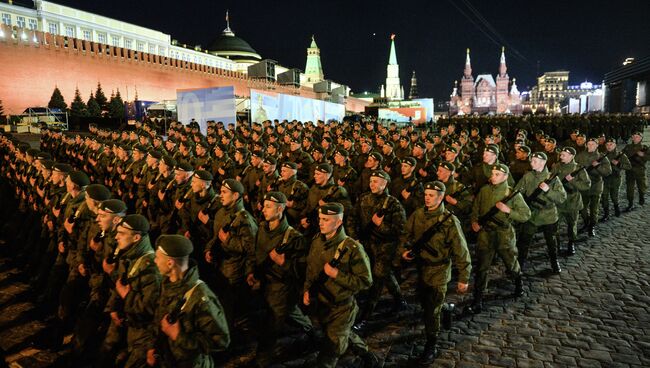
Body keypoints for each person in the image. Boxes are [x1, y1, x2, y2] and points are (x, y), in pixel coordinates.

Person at [400, 181, 471, 366]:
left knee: (431, 311)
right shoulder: (418, 214)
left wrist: (464, 277)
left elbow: (461, 251)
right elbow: (405, 234)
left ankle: (431, 345)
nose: (427, 198)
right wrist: (404, 249)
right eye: (426, 194)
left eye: (432, 195)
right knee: (425, 304)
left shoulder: (449, 221)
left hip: (439, 269)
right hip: (421, 268)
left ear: (441, 198)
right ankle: (446, 309)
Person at [302, 202, 376, 368]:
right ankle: (365, 352)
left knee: (330, 350)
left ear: (338, 222)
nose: (321, 222)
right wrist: (307, 290)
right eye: (320, 218)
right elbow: (311, 271)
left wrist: (337, 275)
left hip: (341, 307)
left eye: (326, 220)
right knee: (343, 334)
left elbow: (366, 281)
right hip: (321, 305)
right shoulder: (316, 241)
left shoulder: (352, 248)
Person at [147, 234, 230, 367]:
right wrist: (154, 346)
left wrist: (179, 336)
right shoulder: (167, 283)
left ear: (170, 263)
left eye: (157, 257)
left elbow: (220, 341)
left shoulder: (201, 297)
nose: (155, 261)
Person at [251, 192, 312, 367]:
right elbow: (256, 253)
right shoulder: (262, 228)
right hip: (265, 282)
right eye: (264, 205)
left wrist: (284, 263)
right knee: (291, 313)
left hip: (282, 286)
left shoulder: (293, 237)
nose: (264, 209)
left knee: (271, 327)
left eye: (269, 206)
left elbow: (301, 270)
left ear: (280, 208)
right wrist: (252, 273)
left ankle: (262, 360)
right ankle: (311, 330)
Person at [348, 170, 407, 330]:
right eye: (371, 181)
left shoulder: (393, 204)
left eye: (376, 181)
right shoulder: (363, 198)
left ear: (385, 183)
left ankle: (365, 317)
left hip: (384, 248)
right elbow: (352, 218)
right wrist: (355, 237)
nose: (372, 184)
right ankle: (399, 299)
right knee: (385, 275)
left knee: (377, 279)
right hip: (365, 245)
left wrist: (381, 226)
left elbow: (400, 229)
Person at [100, 214, 162, 368]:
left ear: (136, 238)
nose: (116, 237)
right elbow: (121, 283)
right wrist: (113, 308)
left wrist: (126, 295)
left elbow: (149, 308)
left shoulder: (150, 267)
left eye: (122, 233)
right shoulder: (130, 257)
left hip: (145, 333)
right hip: (131, 325)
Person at [469, 164, 531, 313]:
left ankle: (518, 284)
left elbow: (526, 215)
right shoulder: (484, 190)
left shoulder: (512, 193)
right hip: (486, 234)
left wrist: (508, 210)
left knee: (511, 263)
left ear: (505, 177)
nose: (493, 176)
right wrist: (474, 222)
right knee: (482, 267)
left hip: (504, 234)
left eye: (497, 174)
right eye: (493, 173)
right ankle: (477, 299)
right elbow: (475, 208)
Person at [514, 152, 567, 273]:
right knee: (524, 242)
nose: (532, 163)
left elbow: (562, 198)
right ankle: (519, 265)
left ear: (543, 163)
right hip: (531, 214)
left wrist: (548, 190)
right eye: (532, 160)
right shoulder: (527, 176)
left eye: (535, 161)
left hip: (548, 215)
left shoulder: (552, 178)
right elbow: (517, 192)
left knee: (551, 242)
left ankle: (554, 262)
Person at [551, 147, 591, 255]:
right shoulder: (556, 166)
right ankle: (557, 245)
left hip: (572, 200)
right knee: (555, 225)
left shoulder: (578, 168)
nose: (561, 157)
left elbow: (586, 185)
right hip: (559, 201)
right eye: (561, 154)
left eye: (564, 155)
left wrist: (573, 181)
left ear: (571, 156)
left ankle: (571, 243)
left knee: (572, 224)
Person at [601, 138, 631, 220]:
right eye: (607, 145)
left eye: (611, 144)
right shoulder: (602, 155)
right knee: (604, 196)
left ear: (615, 145)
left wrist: (619, 164)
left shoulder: (621, 155)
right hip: (605, 179)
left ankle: (616, 208)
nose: (609, 146)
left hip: (615, 178)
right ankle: (606, 213)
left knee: (614, 196)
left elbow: (628, 166)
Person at [623, 131, 648, 211]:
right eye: (634, 136)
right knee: (629, 188)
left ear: (641, 138)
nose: (635, 138)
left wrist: (643, 155)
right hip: (630, 171)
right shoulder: (627, 147)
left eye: (637, 137)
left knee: (642, 186)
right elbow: (621, 155)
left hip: (640, 170)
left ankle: (641, 196)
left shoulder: (644, 147)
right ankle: (630, 203)